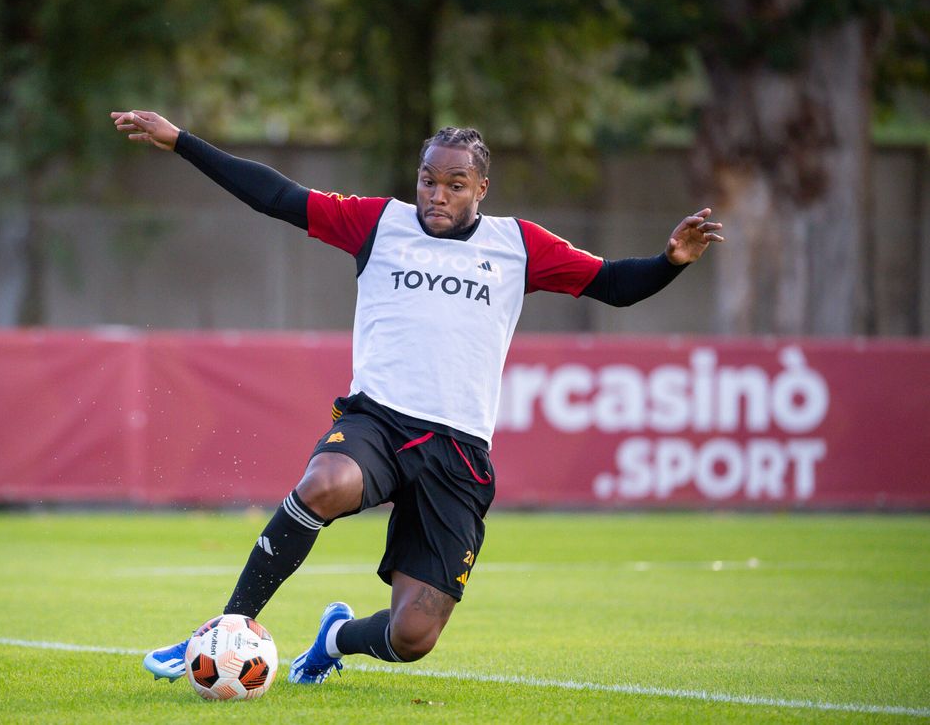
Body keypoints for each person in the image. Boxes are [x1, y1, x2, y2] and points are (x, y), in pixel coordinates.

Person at [111, 109, 724, 685]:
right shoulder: (379, 223)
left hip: (458, 451)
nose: (438, 194)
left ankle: (334, 640)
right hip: (378, 422)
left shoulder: (519, 246)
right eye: (429, 180)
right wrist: (181, 142)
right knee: (324, 483)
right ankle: (225, 629)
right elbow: (277, 197)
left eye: (455, 185)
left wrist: (670, 261)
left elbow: (612, 284)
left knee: (413, 636)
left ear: (481, 189)